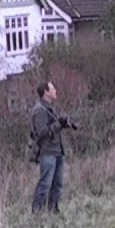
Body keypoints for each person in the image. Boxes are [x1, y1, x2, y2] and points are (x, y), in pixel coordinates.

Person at [31, 81, 75, 213]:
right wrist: (58, 124)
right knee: (45, 184)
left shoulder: (50, 108)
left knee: (57, 184)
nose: (55, 90)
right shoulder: (39, 110)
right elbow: (42, 132)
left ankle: (53, 210)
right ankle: (37, 212)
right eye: (53, 89)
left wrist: (65, 124)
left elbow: (53, 127)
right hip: (47, 152)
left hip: (57, 151)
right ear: (46, 92)